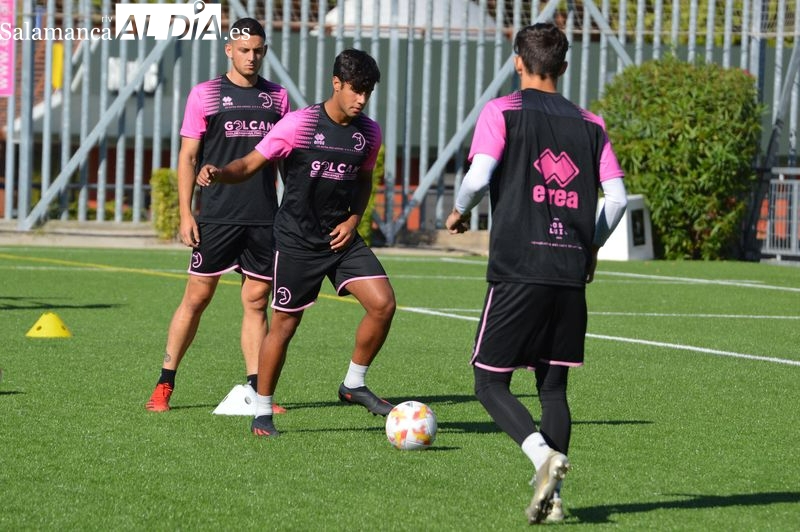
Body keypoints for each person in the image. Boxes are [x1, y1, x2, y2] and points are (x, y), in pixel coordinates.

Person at [445, 23, 627, 524]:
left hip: (519, 265)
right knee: (553, 389)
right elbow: (617, 199)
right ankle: (555, 501)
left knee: (488, 382)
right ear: (563, 68)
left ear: (517, 62)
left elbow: (479, 176)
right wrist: (590, 245)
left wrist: (460, 210)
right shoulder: (591, 124)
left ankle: (541, 456)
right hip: (569, 266)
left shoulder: (502, 111)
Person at [196, 49, 396, 437]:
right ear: (336, 83)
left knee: (383, 304)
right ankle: (263, 410)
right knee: (285, 325)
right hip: (296, 241)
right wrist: (220, 172)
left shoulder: (368, 132)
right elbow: (250, 164)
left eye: (368, 92)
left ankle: (353, 385)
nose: (362, 100)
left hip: (341, 238)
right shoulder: (298, 125)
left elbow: (365, 179)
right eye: (356, 90)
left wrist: (354, 219)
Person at [145, 18, 290, 413]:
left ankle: (258, 390)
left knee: (257, 302)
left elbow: (279, 160)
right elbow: (188, 156)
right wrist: (186, 213)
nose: (252, 57)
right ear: (229, 50)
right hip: (216, 217)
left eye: (258, 50)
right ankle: (165, 383)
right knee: (197, 297)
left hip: (262, 218)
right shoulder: (205, 95)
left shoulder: (277, 98)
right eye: (244, 50)